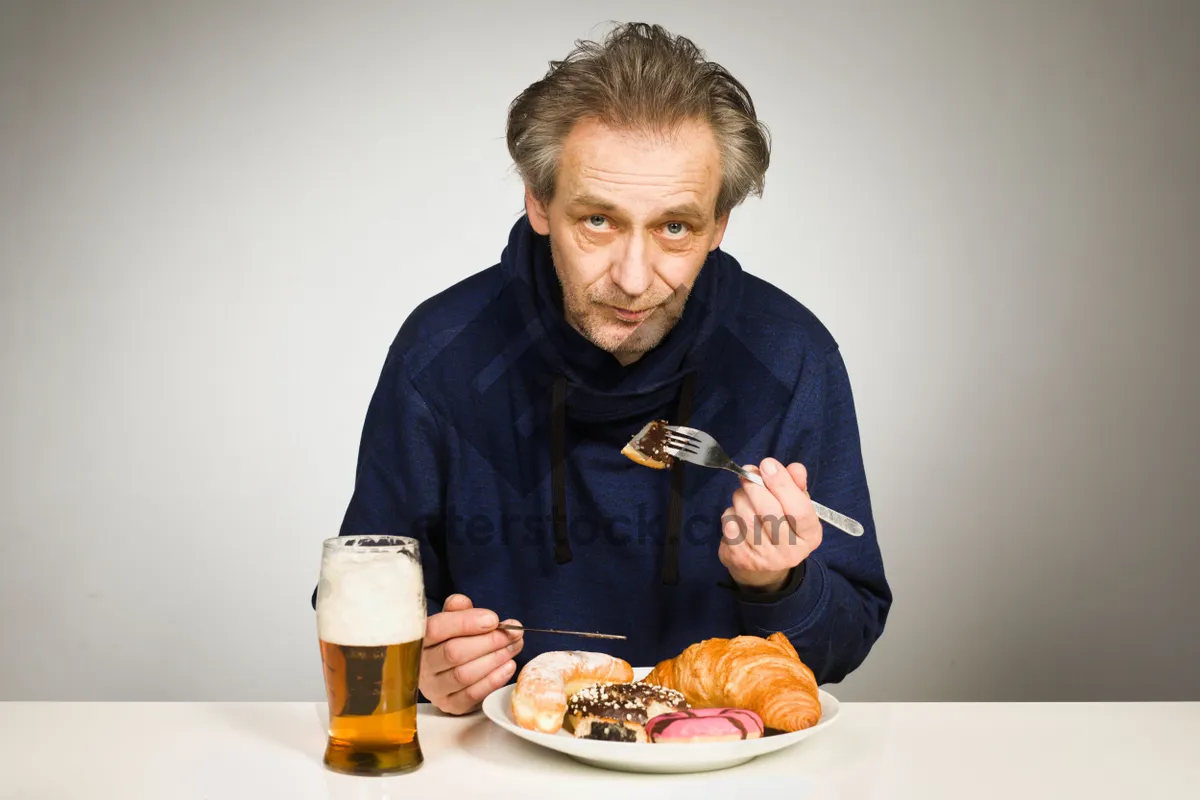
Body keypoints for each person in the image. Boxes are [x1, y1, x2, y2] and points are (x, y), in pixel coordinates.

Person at [322, 22, 892, 715]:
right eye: (598, 220)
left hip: (714, 762)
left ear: (718, 226)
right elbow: (358, 588)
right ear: (539, 202)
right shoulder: (441, 352)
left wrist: (778, 586)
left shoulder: (788, 355)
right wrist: (420, 666)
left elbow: (845, 644)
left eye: (674, 228)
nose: (631, 277)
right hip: (504, 757)